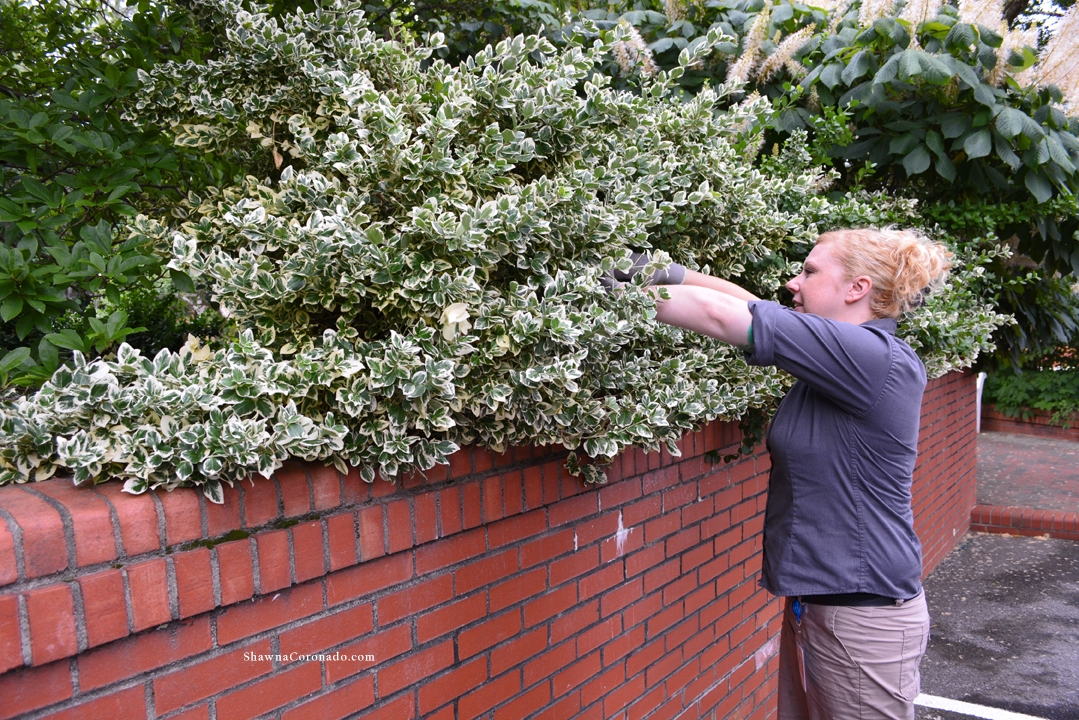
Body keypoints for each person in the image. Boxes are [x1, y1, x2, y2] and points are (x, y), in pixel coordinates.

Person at [609, 228, 953, 720]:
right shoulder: (839, 357)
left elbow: (719, 316)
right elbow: (746, 304)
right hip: (821, 606)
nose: (793, 282)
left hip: (861, 617)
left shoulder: (872, 359)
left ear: (856, 288)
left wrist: (595, 293)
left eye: (810, 272)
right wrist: (665, 272)